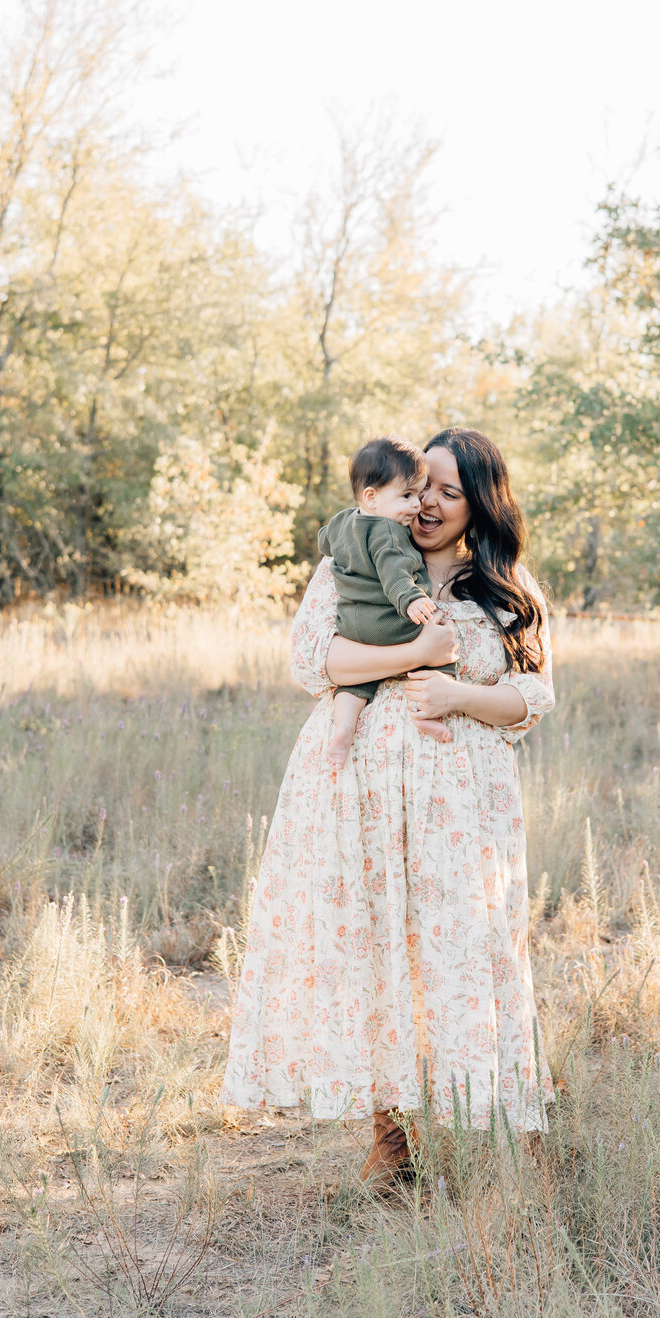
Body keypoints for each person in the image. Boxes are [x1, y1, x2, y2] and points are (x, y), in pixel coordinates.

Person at [221, 427, 555, 1183]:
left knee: (469, 949)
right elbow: (316, 661)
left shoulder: (503, 587)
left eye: (449, 490)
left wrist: (459, 693)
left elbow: (535, 695)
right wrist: (413, 657)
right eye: (421, 486)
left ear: (479, 504)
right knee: (377, 948)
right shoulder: (350, 557)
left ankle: (511, 1126)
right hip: (356, 794)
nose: (429, 503)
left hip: (461, 806)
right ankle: (392, 1136)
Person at [318, 435, 456, 772]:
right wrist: (410, 600)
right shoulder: (391, 532)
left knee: (354, 683)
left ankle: (344, 728)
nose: (416, 505)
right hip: (389, 619)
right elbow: (394, 572)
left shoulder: (342, 521)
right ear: (372, 497)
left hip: (352, 625)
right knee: (439, 648)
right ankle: (426, 716)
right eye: (408, 496)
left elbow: (324, 541)